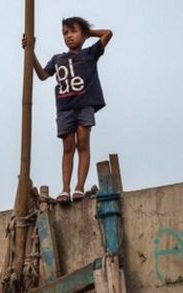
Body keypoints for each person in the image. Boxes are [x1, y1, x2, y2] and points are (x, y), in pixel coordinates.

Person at [24, 17, 113, 204]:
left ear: (83, 34)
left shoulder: (90, 53)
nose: (69, 36)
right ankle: (65, 188)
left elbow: (108, 33)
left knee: (83, 143)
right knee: (68, 147)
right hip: (65, 108)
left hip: (85, 104)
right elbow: (42, 75)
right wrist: (30, 52)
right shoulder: (58, 59)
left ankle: (79, 186)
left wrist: (89, 33)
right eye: (65, 33)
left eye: (73, 31)